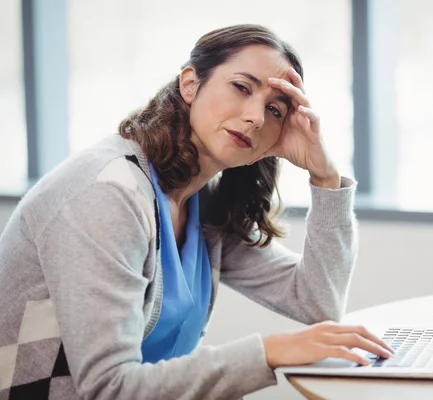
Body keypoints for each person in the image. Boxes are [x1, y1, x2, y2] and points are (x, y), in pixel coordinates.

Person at [0, 24, 393, 399]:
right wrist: (270, 351)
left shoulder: (200, 204)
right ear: (190, 83)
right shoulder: (105, 191)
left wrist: (325, 178)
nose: (256, 117)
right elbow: (107, 387)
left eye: (275, 110)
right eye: (241, 88)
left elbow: (316, 301)